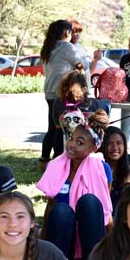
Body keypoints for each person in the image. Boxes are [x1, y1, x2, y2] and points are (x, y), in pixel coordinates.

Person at [37, 110, 113, 260]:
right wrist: (41, 241)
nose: (72, 144)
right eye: (71, 138)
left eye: (80, 143)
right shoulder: (56, 166)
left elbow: (105, 210)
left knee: (89, 202)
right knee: (61, 210)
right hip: (63, 234)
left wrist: (116, 244)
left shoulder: (101, 169)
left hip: (91, 235)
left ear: (93, 148)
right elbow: (50, 207)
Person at [39, 19, 86, 168]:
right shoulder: (66, 47)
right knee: (61, 127)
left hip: (49, 90)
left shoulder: (48, 47)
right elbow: (80, 62)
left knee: (52, 126)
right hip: (61, 91)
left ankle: (44, 158)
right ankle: (58, 159)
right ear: (67, 32)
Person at [52, 70, 101, 147]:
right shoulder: (93, 103)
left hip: (63, 145)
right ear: (84, 87)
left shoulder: (58, 102)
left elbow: (57, 125)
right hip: (87, 145)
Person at [99, 126, 130, 212]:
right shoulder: (98, 163)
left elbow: (129, 192)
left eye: (119, 143)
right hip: (102, 207)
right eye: (109, 143)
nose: (115, 147)